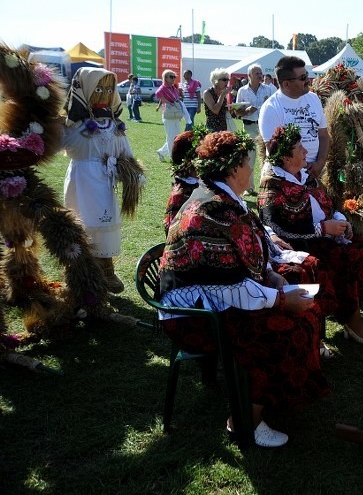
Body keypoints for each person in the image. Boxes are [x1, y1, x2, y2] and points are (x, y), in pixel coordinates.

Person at [158, 130, 329, 447]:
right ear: (234, 169)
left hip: (213, 300)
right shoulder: (210, 211)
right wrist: (279, 300)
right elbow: (228, 288)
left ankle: (269, 400)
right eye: (249, 163)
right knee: (283, 330)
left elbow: (245, 255)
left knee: (304, 308)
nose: (253, 168)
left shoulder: (222, 200)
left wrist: (271, 276)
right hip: (192, 318)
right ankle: (243, 421)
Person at [258, 124, 363, 348]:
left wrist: (338, 217)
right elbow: (276, 228)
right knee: (344, 260)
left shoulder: (306, 177)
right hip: (302, 244)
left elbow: (327, 202)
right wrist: (323, 229)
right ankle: (351, 320)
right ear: (287, 157)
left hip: (327, 237)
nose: (306, 151)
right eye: (300, 148)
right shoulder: (273, 185)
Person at [62, 67, 142, 293]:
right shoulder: (73, 126)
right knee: (81, 223)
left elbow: (125, 152)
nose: (104, 93)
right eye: (98, 88)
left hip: (104, 182)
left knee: (105, 222)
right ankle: (80, 271)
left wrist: (131, 171)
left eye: (109, 89)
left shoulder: (114, 126)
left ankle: (106, 269)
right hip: (81, 180)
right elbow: (55, 143)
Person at [258, 56, 331, 179]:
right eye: (303, 78)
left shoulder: (313, 99)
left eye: (306, 75)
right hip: (286, 178)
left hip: (315, 173)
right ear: (287, 84)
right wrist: (300, 170)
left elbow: (323, 135)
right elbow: (273, 151)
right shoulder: (271, 108)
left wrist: (320, 163)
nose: (308, 80)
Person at [235, 63, 270, 193]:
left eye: (261, 73)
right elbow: (237, 112)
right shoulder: (242, 91)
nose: (260, 76)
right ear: (249, 75)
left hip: (265, 127)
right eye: (257, 73)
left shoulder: (268, 89)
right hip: (249, 126)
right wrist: (246, 111)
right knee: (249, 158)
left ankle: (266, 185)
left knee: (267, 156)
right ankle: (249, 188)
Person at [155, 69, 185, 162]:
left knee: (175, 136)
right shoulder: (163, 88)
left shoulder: (173, 88)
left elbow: (176, 98)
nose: (173, 79)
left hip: (175, 114)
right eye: (171, 77)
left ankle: (162, 152)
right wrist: (170, 103)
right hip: (168, 114)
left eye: (174, 77)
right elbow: (158, 94)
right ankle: (173, 157)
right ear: (165, 78)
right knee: (171, 136)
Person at [203, 68, 231, 133]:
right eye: (224, 79)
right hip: (212, 127)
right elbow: (215, 110)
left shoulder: (223, 92)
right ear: (216, 81)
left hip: (223, 127)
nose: (227, 82)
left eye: (228, 79)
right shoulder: (207, 93)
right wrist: (222, 95)